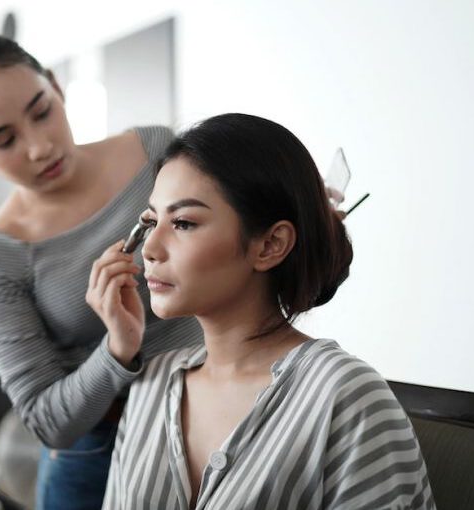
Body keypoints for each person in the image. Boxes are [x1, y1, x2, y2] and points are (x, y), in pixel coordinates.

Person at [93, 114, 435, 508]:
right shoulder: (151, 385)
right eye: (152, 221)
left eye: (184, 223)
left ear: (271, 245)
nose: (150, 249)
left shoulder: (345, 395)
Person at [0, 32, 203, 509]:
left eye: (42, 111)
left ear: (56, 86)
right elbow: (47, 421)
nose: (39, 147)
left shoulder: (156, 151)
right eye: (4, 140)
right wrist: (118, 349)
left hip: (218, 412)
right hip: (100, 452)